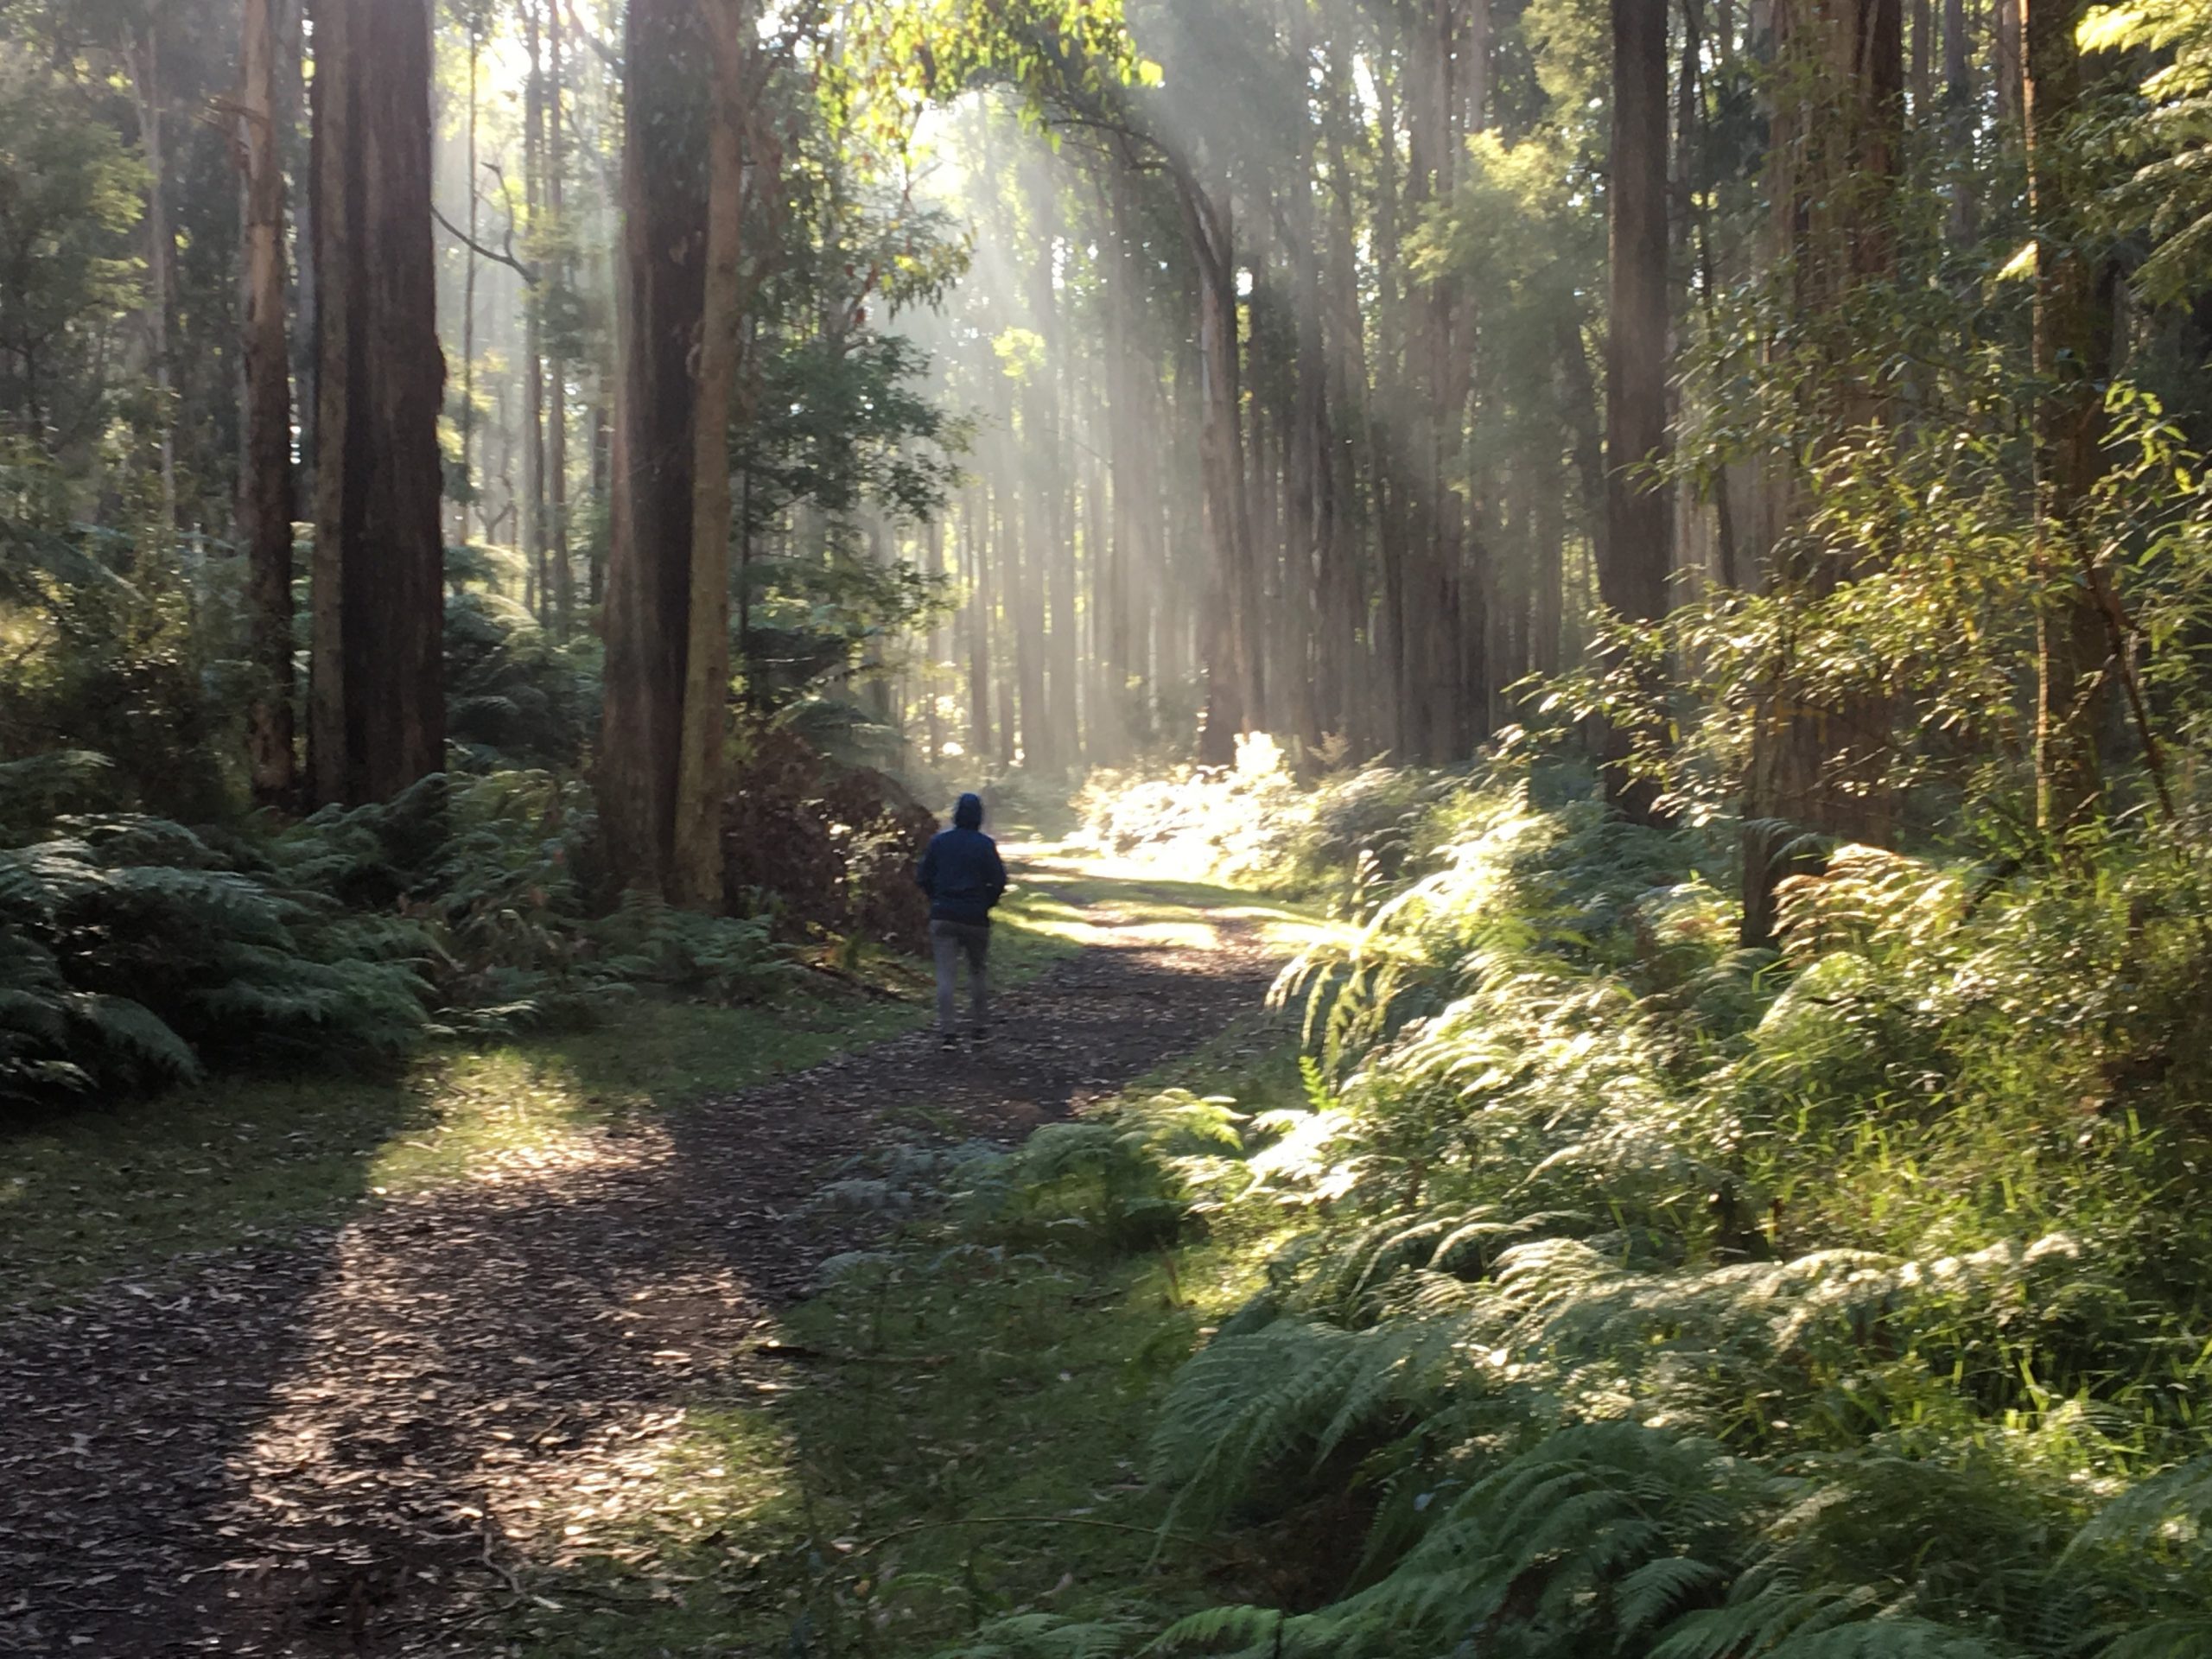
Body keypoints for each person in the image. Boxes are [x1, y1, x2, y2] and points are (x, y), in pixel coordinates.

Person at [915, 792, 1007, 1046]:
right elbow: (999, 880)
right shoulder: (985, 844)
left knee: (946, 975)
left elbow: (922, 876)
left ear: (956, 814)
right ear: (979, 815)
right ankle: (979, 1028)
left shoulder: (939, 842)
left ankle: (948, 1033)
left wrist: (937, 898)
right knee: (977, 972)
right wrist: (986, 902)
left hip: (944, 914)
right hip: (976, 917)